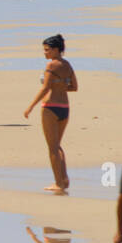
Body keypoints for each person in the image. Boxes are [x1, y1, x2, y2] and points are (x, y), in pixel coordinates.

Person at [23, 34, 77, 194]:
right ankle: (64, 179)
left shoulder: (51, 65)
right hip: (64, 107)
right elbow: (74, 87)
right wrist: (60, 86)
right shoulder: (67, 65)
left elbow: (45, 88)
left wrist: (30, 106)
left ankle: (59, 183)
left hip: (50, 107)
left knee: (52, 148)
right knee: (57, 146)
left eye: (47, 50)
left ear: (55, 50)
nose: (44, 53)